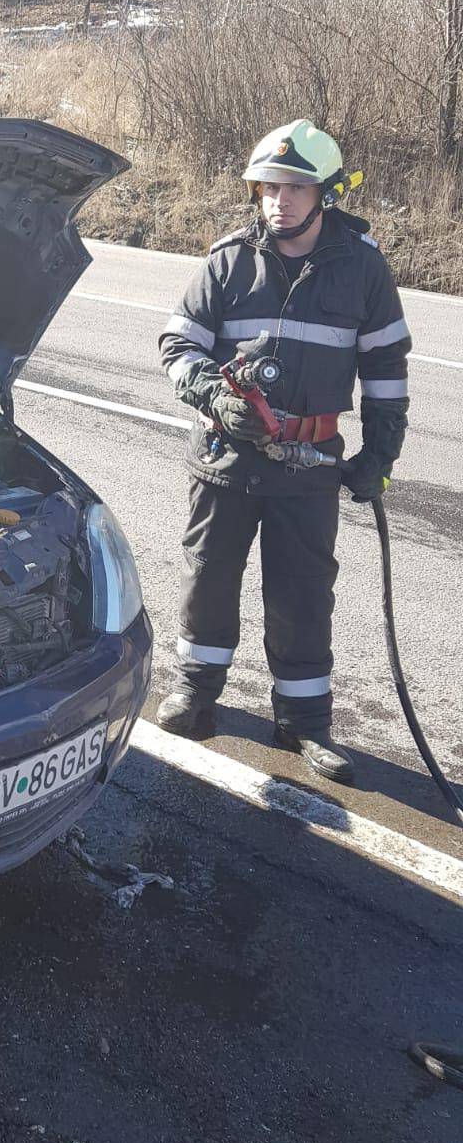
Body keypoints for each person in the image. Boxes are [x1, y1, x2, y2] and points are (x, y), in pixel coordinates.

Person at [156, 119, 410, 781]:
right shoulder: (228, 260)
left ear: (325, 193)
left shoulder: (362, 268)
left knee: (302, 593)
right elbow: (177, 345)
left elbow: (386, 370)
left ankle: (304, 723)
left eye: (296, 187)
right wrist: (216, 395)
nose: (279, 200)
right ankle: (196, 693)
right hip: (225, 460)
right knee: (210, 575)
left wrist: (378, 458)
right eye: (269, 186)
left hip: (310, 467)